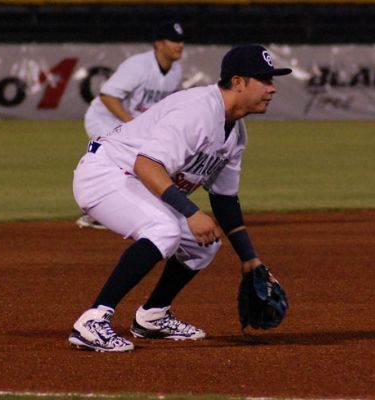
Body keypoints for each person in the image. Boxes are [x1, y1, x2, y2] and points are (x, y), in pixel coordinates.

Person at [68, 44, 292, 352]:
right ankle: (94, 320)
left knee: (206, 244)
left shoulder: (236, 133)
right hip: (106, 173)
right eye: (265, 80)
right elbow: (145, 165)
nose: (272, 88)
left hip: (137, 179)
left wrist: (249, 258)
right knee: (165, 229)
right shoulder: (197, 112)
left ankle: (153, 316)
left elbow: (225, 199)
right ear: (239, 82)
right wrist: (190, 211)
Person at [76, 21, 188, 229]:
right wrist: (132, 125)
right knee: (115, 159)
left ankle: (132, 206)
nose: (179, 45)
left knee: (145, 160)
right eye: (174, 40)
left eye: (181, 41)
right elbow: (108, 95)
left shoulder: (176, 71)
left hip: (134, 124)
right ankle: (94, 210)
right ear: (159, 44)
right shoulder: (138, 66)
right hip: (105, 117)